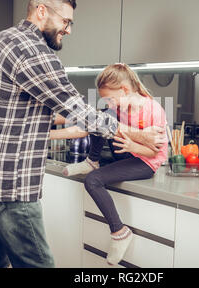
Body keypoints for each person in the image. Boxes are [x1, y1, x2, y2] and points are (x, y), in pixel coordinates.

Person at [0, 0, 165, 268]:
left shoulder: (2, 39)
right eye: (66, 21)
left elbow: (21, 110)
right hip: (10, 184)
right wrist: (139, 134)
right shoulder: (32, 51)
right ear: (41, 11)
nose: (69, 29)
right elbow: (75, 107)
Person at [50, 63, 168, 265]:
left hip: (144, 161)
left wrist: (133, 145)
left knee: (93, 181)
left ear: (124, 90)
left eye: (111, 99)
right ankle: (91, 161)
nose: (110, 104)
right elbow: (88, 126)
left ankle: (119, 232)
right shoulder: (117, 108)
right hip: (124, 153)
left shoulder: (153, 110)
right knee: (100, 118)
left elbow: (157, 153)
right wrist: (45, 133)